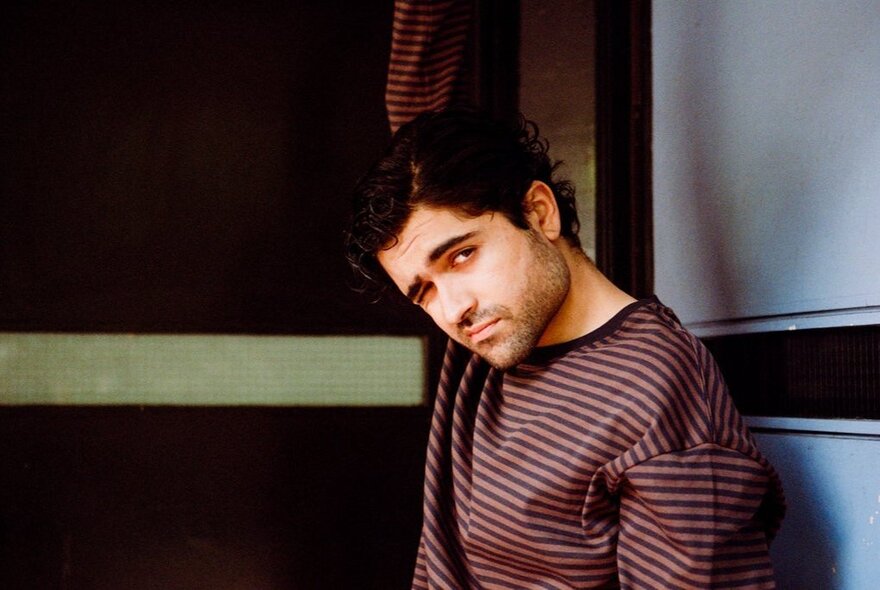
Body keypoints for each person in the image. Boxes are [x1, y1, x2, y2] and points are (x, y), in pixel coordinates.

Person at [345, 109, 785, 589]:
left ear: (539, 213)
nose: (453, 309)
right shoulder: (484, 351)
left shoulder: (655, 388)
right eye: (423, 291)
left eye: (463, 255)